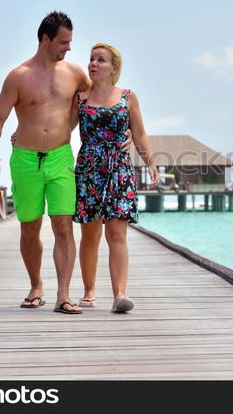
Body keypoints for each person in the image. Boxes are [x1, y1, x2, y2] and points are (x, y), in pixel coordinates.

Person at [0, 11, 128, 315]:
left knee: (63, 225)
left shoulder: (75, 74)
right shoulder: (19, 76)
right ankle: (36, 285)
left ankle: (64, 295)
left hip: (61, 157)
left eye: (71, 42)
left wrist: (124, 130)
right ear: (46, 39)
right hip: (25, 159)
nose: (69, 48)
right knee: (30, 226)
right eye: (64, 42)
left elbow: (105, 97)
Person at [72, 43, 158, 312]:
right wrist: (26, 136)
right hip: (89, 169)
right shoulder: (80, 98)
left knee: (117, 233)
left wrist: (151, 164)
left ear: (114, 68)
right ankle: (88, 291)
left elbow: (140, 132)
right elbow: (59, 127)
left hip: (119, 168)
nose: (93, 64)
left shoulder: (127, 97)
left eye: (101, 60)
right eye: (91, 59)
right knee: (90, 234)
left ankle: (120, 294)